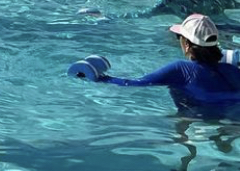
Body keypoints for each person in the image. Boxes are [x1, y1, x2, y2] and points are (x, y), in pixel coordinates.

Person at [92, 14, 240, 116]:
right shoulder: (232, 70)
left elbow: (135, 83)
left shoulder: (180, 69)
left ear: (187, 44)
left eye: (179, 37)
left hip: (197, 123)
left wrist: (99, 78)